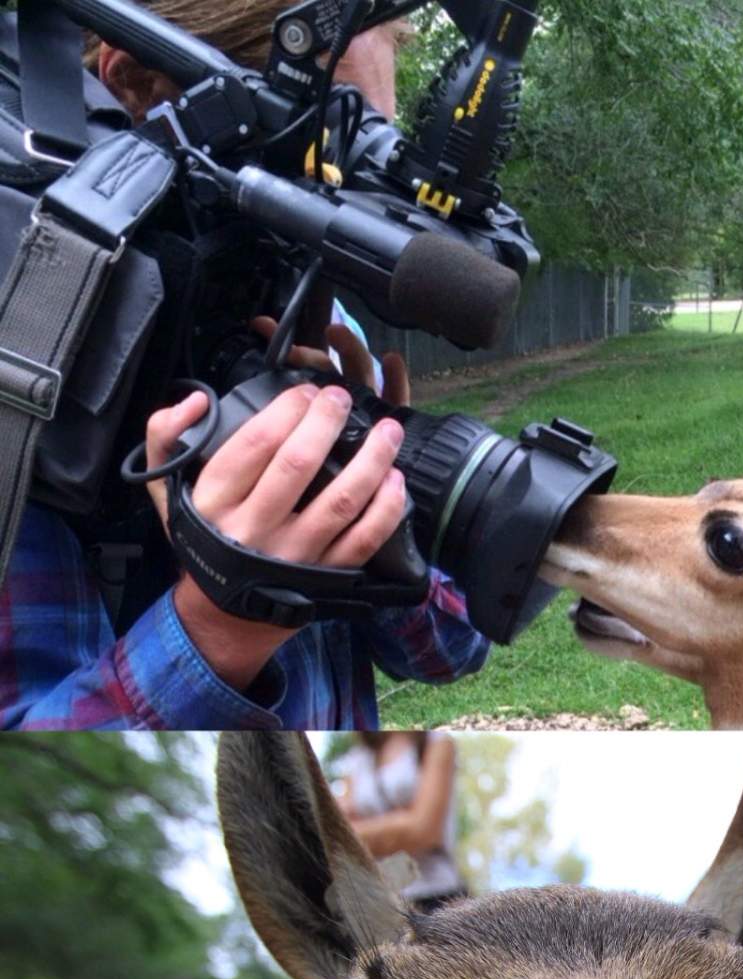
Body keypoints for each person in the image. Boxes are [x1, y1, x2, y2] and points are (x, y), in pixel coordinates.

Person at [0, 3, 491, 731]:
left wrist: (374, 516)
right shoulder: (26, 354)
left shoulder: (319, 318)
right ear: (136, 85)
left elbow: (452, 648)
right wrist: (220, 627)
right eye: (321, 155)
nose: (346, 200)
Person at [337, 732, 466, 907]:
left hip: (434, 896)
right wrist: (402, 822)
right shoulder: (358, 758)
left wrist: (358, 832)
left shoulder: (436, 742)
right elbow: (337, 831)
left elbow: (424, 831)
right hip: (378, 904)